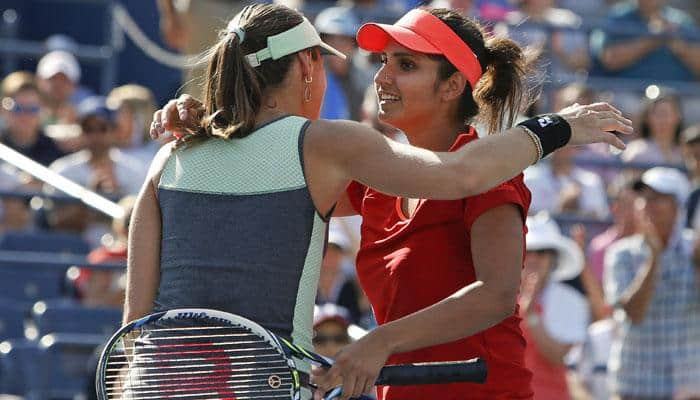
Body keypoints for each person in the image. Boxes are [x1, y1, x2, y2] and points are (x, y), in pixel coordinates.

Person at [145, 4, 632, 399]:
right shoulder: (369, 175)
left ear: (451, 86)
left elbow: (497, 294)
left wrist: (380, 340)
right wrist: (208, 123)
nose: (382, 78)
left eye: (406, 64)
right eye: (382, 62)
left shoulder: (492, 176)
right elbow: (262, 183)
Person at [604, 167, 700, 400]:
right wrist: (654, 260)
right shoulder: (621, 254)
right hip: (635, 387)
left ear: (677, 207)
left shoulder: (695, 250)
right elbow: (634, 313)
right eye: (643, 199)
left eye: (658, 199)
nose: (647, 205)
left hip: (686, 390)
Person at [519, 213, 590, 400]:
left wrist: (531, 314)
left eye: (541, 252)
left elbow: (557, 357)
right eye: (528, 250)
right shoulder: (497, 296)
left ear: (553, 258)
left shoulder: (571, 300)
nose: (533, 257)